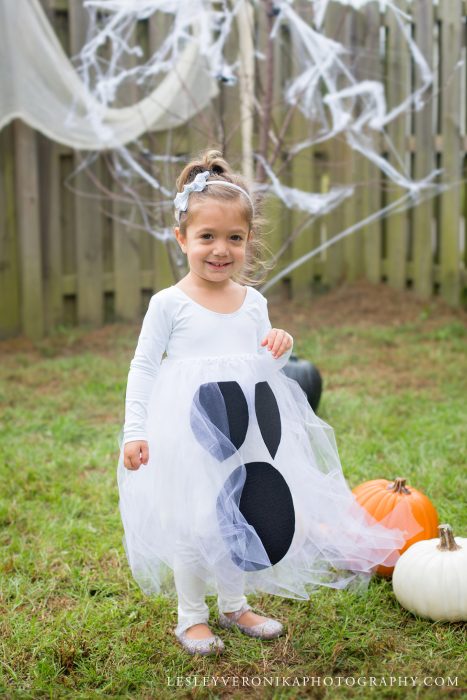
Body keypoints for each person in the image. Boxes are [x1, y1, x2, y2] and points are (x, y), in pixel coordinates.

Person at [117, 149, 409, 656]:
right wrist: (134, 430)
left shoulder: (252, 302)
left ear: (249, 241)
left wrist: (280, 344)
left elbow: (261, 366)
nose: (220, 249)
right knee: (194, 518)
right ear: (182, 237)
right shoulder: (169, 303)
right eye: (206, 237)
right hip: (190, 431)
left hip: (246, 426)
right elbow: (143, 366)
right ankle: (191, 617)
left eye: (234, 238)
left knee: (239, 509)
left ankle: (234, 603)